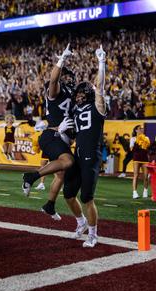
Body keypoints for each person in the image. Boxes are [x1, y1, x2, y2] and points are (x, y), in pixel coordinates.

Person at [22, 44, 78, 221]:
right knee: (68, 162)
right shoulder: (55, 92)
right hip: (52, 134)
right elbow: (54, 80)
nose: (69, 79)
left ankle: (49, 205)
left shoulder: (74, 95)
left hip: (62, 137)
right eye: (66, 76)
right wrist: (62, 58)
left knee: (61, 175)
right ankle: (31, 176)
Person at [63, 45, 106, 247]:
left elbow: (101, 87)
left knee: (87, 196)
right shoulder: (76, 110)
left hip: (91, 155)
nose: (78, 97)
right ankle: (81, 224)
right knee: (69, 194)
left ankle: (93, 235)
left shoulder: (98, 105)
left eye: (81, 94)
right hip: (78, 154)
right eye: (77, 95)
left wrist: (101, 62)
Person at [131, 125, 150, 199]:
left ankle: (145, 191)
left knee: (146, 176)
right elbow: (131, 149)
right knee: (136, 175)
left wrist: (145, 143)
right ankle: (134, 192)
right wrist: (137, 142)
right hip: (136, 159)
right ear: (136, 130)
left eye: (142, 129)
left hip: (145, 159)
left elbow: (148, 148)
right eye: (139, 129)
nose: (141, 130)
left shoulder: (146, 138)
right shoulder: (133, 138)